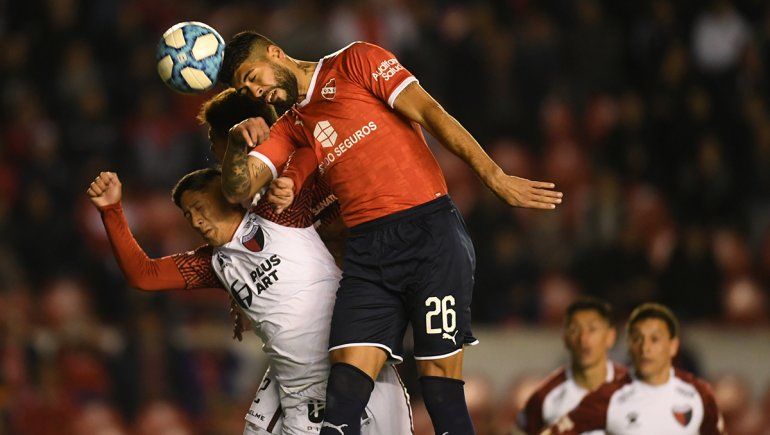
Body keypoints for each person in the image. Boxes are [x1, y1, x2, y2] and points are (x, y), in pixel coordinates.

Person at [216, 32, 563, 435]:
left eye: (253, 77)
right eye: (246, 90)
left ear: (274, 53)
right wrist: (237, 143)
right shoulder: (294, 126)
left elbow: (430, 112)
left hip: (429, 233)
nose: (258, 92)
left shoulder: (356, 62)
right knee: (342, 395)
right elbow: (238, 188)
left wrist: (493, 176)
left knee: (440, 392)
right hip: (366, 252)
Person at [85, 91, 412, 435]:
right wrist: (111, 210)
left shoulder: (278, 209)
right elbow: (144, 274)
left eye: (200, 207)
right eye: (187, 215)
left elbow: (310, 151)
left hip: (358, 349)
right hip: (300, 381)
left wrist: (290, 175)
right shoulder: (216, 262)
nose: (195, 221)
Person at [540, 303, 725, 435]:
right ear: (629, 346)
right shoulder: (608, 396)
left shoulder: (699, 394)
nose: (645, 348)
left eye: (654, 339)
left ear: (673, 346)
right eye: (637, 339)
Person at [519, 298, 626, 434]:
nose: (583, 339)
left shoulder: (631, 386)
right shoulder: (545, 397)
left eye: (592, 329)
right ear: (565, 338)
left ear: (610, 337)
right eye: (575, 330)